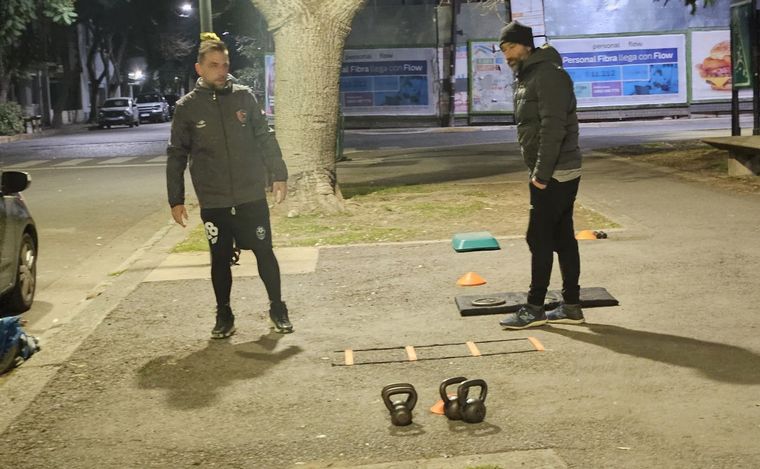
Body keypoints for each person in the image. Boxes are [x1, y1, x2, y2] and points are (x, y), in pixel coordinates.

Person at [167, 36, 293, 339]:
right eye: (214, 65)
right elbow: (177, 154)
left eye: (224, 65)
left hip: (250, 195)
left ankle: (278, 308)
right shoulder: (187, 107)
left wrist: (279, 173)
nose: (221, 70)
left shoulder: (244, 97)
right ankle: (224, 314)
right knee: (220, 259)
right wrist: (176, 199)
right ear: (200, 68)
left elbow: (264, 135)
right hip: (215, 199)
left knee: (265, 252)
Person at [497, 21, 584, 329]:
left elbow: (553, 128)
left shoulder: (546, 75)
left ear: (526, 45)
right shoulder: (531, 75)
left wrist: (541, 175)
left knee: (539, 237)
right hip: (553, 170)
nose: (506, 55)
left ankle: (534, 307)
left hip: (554, 172)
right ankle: (572, 306)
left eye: (510, 47)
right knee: (561, 236)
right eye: (503, 50)